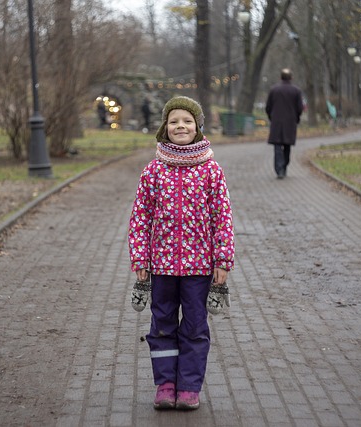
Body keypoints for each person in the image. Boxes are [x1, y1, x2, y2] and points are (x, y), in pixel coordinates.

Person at [128, 96, 235, 411]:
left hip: (199, 268)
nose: (180, 126)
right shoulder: (154, 171)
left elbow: (222, 217)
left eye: (187, 121)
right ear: (165, 127)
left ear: (198, 128)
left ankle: (189, 386)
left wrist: (223, 260)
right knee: (161, 325)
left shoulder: (210, 170)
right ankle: (166, 384)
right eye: (174, 121)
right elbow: (140, 218)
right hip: (160, 266)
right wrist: (140, 259)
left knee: (194, 326)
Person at [265, 68, 304, 179]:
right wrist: (296, 118)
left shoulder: (274, 90)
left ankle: (279, 169)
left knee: (277, 147)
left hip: (276, 122)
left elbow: (268, 107)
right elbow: (300, 108)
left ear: (280, 77)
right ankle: (284, 166)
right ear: (291, 77)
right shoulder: (296, 91)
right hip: (290, 123)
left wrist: (271, 116)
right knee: (287, 146)